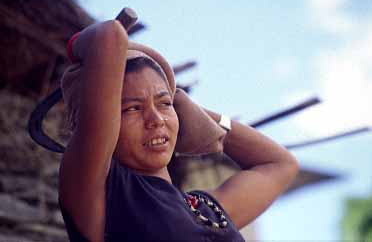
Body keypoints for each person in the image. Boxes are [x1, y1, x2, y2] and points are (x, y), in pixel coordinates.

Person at [58, 20, 299, 242]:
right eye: (132, 108)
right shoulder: (101, 188)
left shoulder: (206, 210)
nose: (155, 119)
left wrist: (202, 118)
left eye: (165, 104)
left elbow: (280, 164)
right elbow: (110, 36)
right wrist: (75, 45)